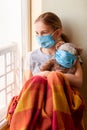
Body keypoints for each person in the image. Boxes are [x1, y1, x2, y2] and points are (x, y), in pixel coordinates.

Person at [23, 12, 83, 88]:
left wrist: (49, 74)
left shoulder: (69, 53)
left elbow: (78, 82)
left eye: (44, 32)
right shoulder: (31, 56)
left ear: (58, 33)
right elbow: (27, 87)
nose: (39, 37)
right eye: (37, 33)